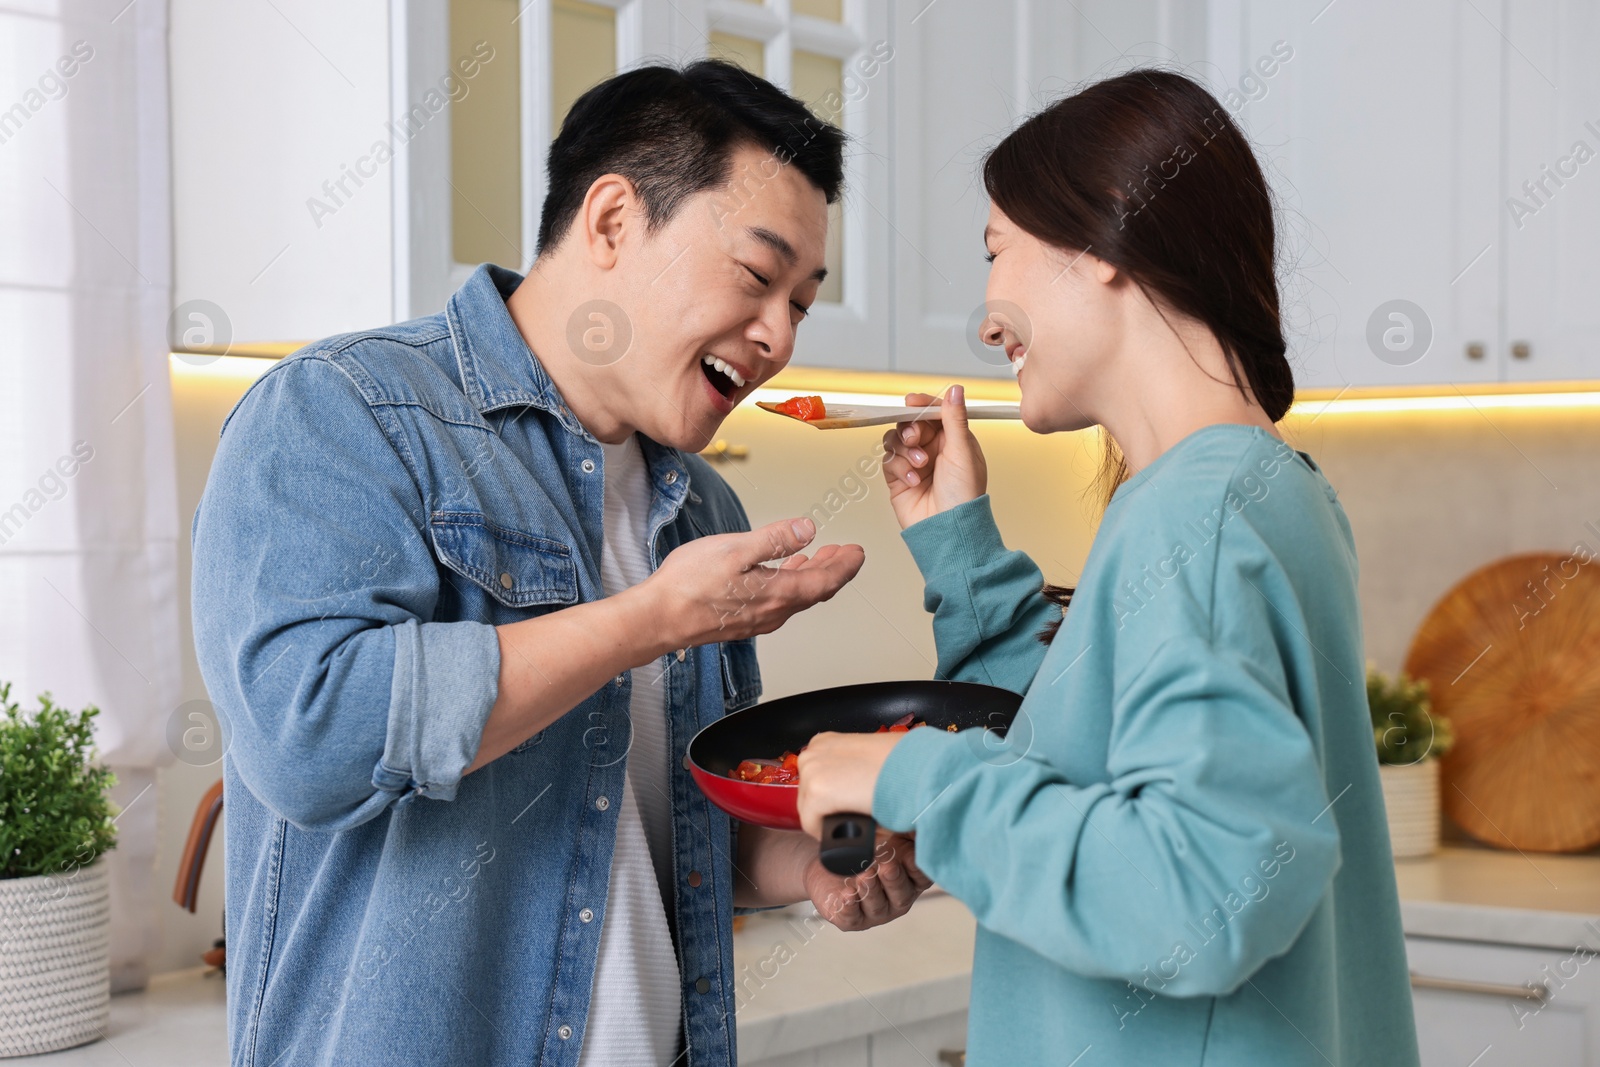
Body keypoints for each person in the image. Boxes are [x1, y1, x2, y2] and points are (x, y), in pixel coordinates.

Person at [192, 60, 933, 1067]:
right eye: (759, 279)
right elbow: (307, 736)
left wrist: (810, 866)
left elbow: (666, 827)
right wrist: (649, 620)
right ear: (614, 221)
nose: (778, 336)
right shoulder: (346, 414)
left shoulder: (698, 510)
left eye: (802, 302)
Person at [795, 69, 1421, 1065]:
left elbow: (1205, 891)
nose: (987, 315)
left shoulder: (1198, 510)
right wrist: (957, 540)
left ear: (1104, 246)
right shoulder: (1261, 488)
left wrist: (907, 771)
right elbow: (1084, 748)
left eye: (996, 251)